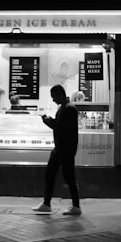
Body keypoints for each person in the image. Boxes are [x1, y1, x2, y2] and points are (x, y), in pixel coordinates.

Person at [31, 85, 81, 215]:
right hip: (60, 148)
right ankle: (46, 203)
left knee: (69, 177)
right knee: (50, 174)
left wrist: (47, 121)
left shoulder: (69, 109)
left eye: (54, 97)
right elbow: (61, 126)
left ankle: (76, 206)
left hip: (65, 149)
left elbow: (60, 127)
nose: (53, 100)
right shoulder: (64, 108)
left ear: (60, 95)